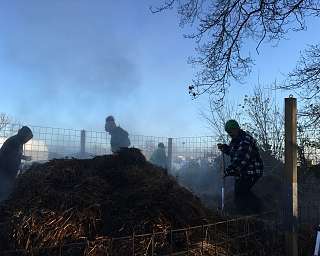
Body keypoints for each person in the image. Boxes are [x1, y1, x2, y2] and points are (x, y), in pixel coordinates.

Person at [217, 120, 263, 215]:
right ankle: (252, 211)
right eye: (228, 132)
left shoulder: (245, 140)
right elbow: (233, 152)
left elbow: (241, 160)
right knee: (241, 193)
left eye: (231, 131)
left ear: (237, 128)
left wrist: (226, 172)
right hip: (243, 172)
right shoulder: (236, 140)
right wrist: (224, 148)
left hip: (251, 171)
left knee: (240, 193)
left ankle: (254, 212)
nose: (230, 134)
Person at [0, 126, 33, 200]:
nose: (27, 140)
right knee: (3, 189)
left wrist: (24, 158)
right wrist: (24, 159)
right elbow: (11, 156)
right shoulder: (14, 141)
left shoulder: (18, 141)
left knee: (6, 188)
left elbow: (16, 154)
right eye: (27, 138)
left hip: (8, 170)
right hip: (5, 170)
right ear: (23, 134)